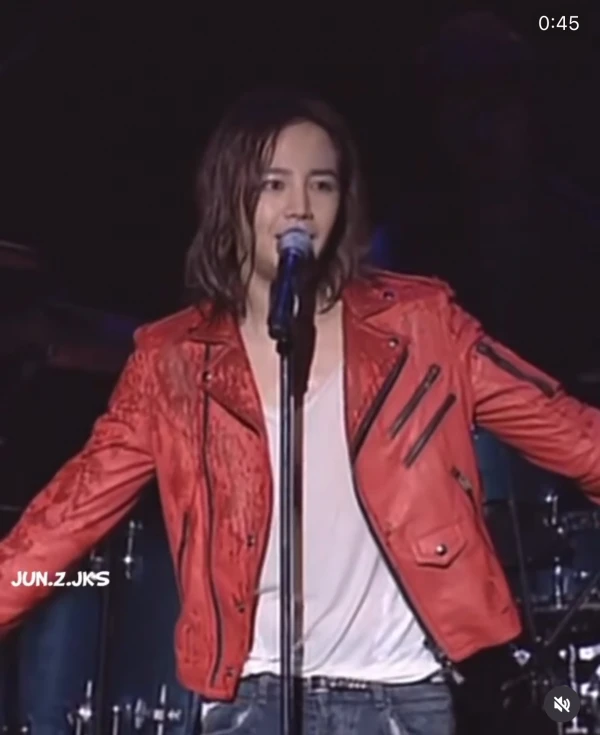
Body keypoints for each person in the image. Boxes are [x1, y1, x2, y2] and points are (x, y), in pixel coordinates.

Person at [1, 86, 599, 735]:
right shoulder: (173, 365)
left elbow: (577, 439)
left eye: (322, 185)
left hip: (401, 697)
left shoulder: (424, 331)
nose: (300, 208)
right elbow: (61, 523)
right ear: (229, 196)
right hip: (250, 701)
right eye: (274, 184)